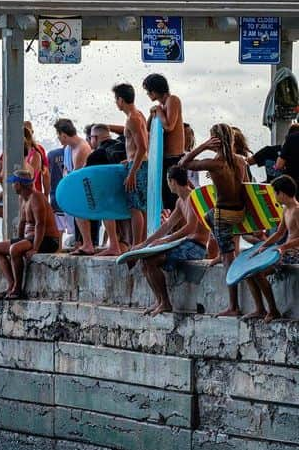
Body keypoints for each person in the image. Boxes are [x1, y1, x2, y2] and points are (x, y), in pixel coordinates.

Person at [179, 124, 250, 317]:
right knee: (208, 215)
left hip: (224, 215)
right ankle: (220, 251)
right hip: (238, 212)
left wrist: (202, 146)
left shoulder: (215, 164)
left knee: (229, 260)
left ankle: (233, 306)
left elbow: (183, 164)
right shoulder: (241, 161)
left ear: (214, 141)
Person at [127, 167, 211, 316]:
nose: (168, 184)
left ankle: (165, 302)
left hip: (196, 246)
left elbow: (190, 228)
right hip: (185, 243)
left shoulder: (193, 198)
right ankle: (159, 300)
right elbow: (167, 225)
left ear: (172, 181)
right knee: (145, 260)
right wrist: (145, 244)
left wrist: (164, 241)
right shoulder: (180, 201)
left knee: (152, 260)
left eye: (168, 181)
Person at [0, 170, 61, 299]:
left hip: (47, 240)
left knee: (15, 249)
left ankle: (18, 289)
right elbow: (22, 223)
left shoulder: (36, 197)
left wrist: (35, 248)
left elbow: (40, 225)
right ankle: (10, 285)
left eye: (14, 183)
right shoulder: (23, 199)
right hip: (30, 238)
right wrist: (18, 239)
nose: (12, 186)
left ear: (19, 184)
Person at [249, 176, 299, 322]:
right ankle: (259, 309)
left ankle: (273, 310)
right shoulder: (285, 210)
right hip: (284, 251)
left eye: (275, 193)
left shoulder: (296, 210)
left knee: (258, 273)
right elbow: (279, 233)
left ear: (282, 193)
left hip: (294, 253)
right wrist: (263, 247)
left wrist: (283, 246)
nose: (274, 196)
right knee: (248, 272)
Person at [107, 83, 149, 249]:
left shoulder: (133, 118)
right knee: (141, 206)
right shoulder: (138, 115)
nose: (115, 103)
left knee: (135, 207)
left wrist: (132, 172)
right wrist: (130, 160)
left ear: (121, 99)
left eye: (115, 99)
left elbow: (142, 147)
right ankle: (141, 242)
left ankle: (136, 244)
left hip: (138, 167)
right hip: (139, 163)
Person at [144, 73, 185, 211]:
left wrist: (159, 111)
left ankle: (181, 229)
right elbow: (147, 130)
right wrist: (152, 114)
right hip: (164, 159)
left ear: (154, 91)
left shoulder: (172, 100)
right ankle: (174, 229)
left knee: (175, 200)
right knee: (167, 199)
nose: (148, 95)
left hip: (174, 158)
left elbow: (169, 126)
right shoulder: (160, 106)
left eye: (148, 91)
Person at [86, 124, 128, 255]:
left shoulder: (96, 155)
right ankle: (125, 243)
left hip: (110, 198)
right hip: (128, 193)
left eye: (90, 137)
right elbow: (126, 129)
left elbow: (87, 179)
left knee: (102, 204)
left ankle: (113, 245)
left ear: (95, 137)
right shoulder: (123, 143)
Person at [55, 118, 94, 254]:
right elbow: (66, 170)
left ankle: (87, 244)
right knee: (76, 214)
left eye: (58, 135)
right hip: (74, 187)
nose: (58, 139)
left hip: (85, 188)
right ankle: (82, 243)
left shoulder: (82, 148)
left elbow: (76, 177)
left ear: (64, 135)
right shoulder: (68, 149)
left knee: (80, 212)